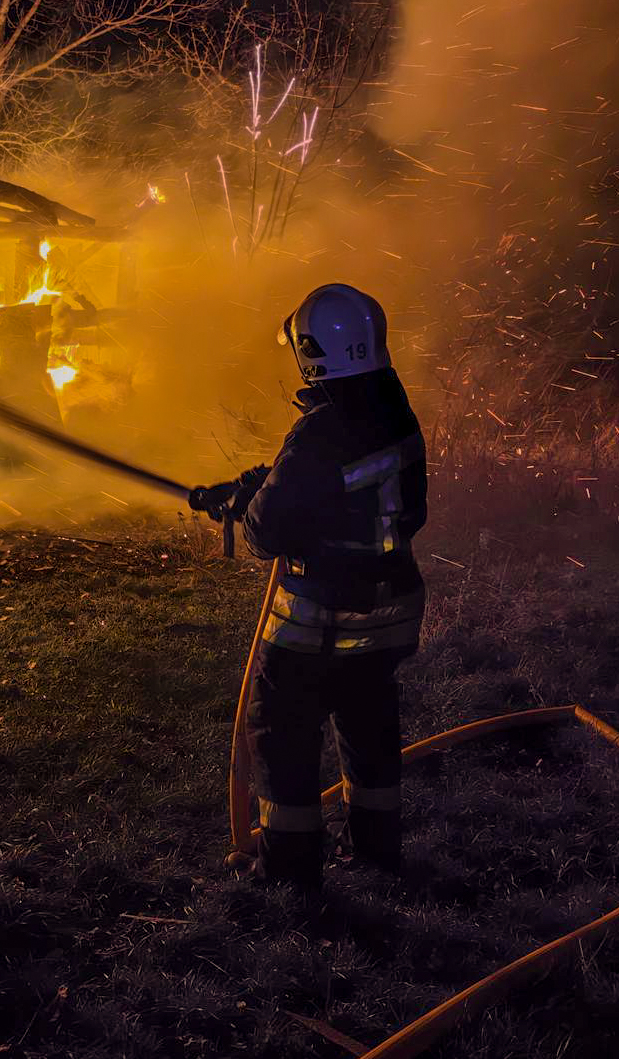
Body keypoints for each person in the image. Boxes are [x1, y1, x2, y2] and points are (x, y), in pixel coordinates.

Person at [189, 283, 428, 890]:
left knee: (280, 732)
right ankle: (376, 853)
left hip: (320, 622)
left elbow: (266, 532)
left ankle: (288, 874)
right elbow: (390, 503)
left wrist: (248, 507)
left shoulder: (318, 433)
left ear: (312, 354)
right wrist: (257, 484)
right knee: (369, 722)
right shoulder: (395, 412)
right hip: (390, 614)